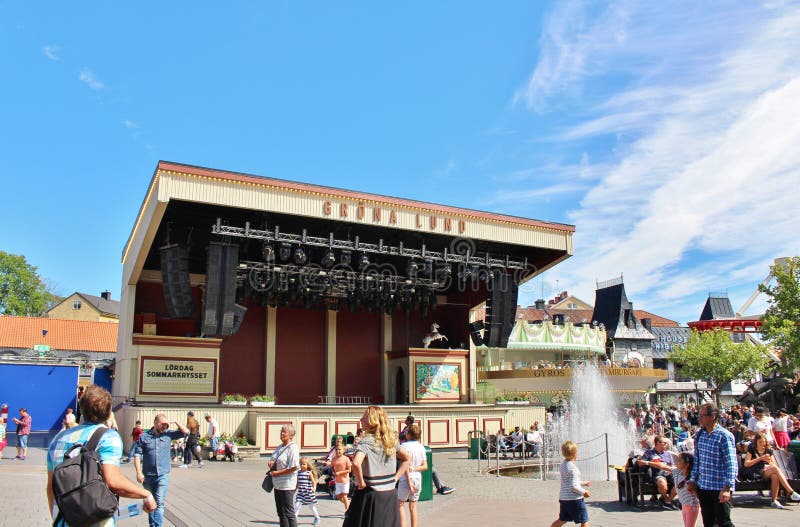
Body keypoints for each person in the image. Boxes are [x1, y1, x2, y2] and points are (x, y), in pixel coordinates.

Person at [47, 385, 156, 526]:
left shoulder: (58, 439)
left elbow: (51, 487)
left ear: (82, 409)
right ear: (108, 411)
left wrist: (56, 518)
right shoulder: (108, 437)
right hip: (96, 519)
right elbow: (113, 481)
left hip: (65, 519)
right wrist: (146, 495)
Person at [344, 405, 410, 527]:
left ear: (371, 421)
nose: (361, 420)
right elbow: (407, 458)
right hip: (390, 493)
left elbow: (356, 463)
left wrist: (361, 483)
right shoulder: (391, 440)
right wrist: (395, 478)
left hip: (371, 494)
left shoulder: (367, 441)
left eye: (364, 417)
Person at [131, 414, 189, 527]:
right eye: (162, 424)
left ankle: (156, 525)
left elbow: (186, 432)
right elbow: (137, 455)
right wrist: (138, 472)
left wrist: (176, 421)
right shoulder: (144, 437)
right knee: (150, 502)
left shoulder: (168, 434)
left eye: (166, 424)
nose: (164, 426)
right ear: (155, 423)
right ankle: (153, 524)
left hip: (162, 474)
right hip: (147, 475)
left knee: (159, 502)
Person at [686, 403, 737, 527]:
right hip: (703, 486)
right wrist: (692, 479)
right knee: (708, 522)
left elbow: (731, 463)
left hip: (719, 487)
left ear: (713, 416)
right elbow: (697, 460)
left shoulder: (724, 435)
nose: (699, 418)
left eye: (703, 415)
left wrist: (727, 488)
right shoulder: (699, 434)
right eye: (699, 415)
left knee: (724, 522)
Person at [742, 432, 800, 508]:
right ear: (756, 442)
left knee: (775, 476)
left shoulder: (768, 451)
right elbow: (746, 463)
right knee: (775, 470)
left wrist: (769, 462)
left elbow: (774, 464)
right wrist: (760, 458)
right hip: (756, 472)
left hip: (767, 470)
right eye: (760, 442)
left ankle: (774, 501)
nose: (762, 444)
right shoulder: (752, 450)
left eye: (764, 442)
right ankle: (791, 492)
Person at [550, 440, 590, 527]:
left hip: (564, 499)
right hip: (575, 500)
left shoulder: (563, 465)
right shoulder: (573, 468)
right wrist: (584, 492)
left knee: (562, 520)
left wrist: (583, 483)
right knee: (584, 521)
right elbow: (573, 486)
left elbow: (569, 481)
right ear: (574, 453)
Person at [270, 424, 301, 527]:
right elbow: (273, 459)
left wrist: (277, 473)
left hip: (287, 484)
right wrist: (271, 463)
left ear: (291, 435)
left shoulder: (293, 448)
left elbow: (294, 467)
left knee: (289, 512)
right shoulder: (280, 447)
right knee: (281, 513)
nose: (282, 434)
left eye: (284, 432)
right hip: (277, 484)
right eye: (281, 431)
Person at [397, 423, 427, 527]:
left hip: (406, 478)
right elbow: (425, 466)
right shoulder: (421, 447)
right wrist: (414, 468)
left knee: (400, 504)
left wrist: (409, 479)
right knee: (413, 506)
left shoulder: (403, 446)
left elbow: (405, 464)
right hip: (417, 478)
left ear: (408, 434)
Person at [636, 435, 677, 509]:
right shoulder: (649, 453)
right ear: (657, 443)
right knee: (662, 483)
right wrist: (651, 463)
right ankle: (665, 499)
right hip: (658, 474)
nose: (666, 444)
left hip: (669, 474)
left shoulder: (668, 454)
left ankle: (667, 500)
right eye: (664, 443)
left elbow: (672, 466)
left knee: (680, 482)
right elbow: (640, 463)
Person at [672, 452, 700, 527]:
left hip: (692, 505)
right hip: (684, 505)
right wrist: (647, 462)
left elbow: (697, 495)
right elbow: (663, 466)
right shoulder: (677, 472)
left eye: (680, 460)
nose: (677, 462)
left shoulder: (692, 479)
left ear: (687, 464)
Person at [295, 457, 320, 526]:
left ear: (307, 465)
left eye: (304, 464)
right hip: (300, 492)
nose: (302, 466)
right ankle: (294, 519)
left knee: (311, 506)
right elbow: (297, 483)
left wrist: (314, 487)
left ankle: (317, 517)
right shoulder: (298, 473)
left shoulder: (309, 473)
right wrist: (294, 490)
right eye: (301, 464)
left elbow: (313, 481)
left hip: (308, 492)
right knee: (297, 505)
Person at [332, 444, 352, 511]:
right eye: (336, 450)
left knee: (344, 496)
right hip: (338, 480)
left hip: (345, 481)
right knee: (338, 496)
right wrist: (333, 472)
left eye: (339, 449)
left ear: (343, 451)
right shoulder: (334, 458)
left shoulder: (346, 459)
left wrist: (340, 473)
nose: (338, 451)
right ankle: (348, 505)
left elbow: (349, 470)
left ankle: (347, 511)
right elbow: (333, 466)